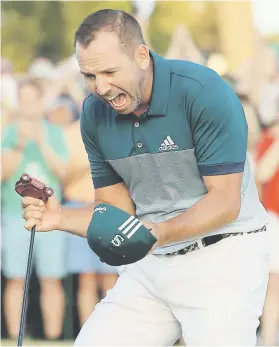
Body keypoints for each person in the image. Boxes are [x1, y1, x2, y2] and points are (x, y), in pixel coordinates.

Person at [21, 10, 269, 346]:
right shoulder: (94, 112)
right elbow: (116, 212)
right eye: (89, 75)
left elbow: (225, 201)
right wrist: (61, 216)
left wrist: (158, 233)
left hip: (223, 258)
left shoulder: (203, 90)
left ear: (141, 56)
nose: (101, 87)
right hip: (151, 264)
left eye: (109, 71)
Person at [1, 78, 68, 340]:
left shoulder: (54, 132)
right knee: (16, 278)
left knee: (52, 279)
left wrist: (41, 143)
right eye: (23, 100)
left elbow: (63, 173)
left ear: (41, 102)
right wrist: (18, 144)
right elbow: (3, 174)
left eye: (32, 100)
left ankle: (53, 338)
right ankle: (13, 335)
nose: (28, 106)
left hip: (50, 215)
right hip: (14, 214)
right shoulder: (8, 131)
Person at [63, 121, 118, 327]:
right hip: (79, 205)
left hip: (112, 207)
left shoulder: (114, 127)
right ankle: (89, 332)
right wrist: (94, 158)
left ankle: (111, 332)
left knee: (110, 278)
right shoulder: (70, 132)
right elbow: (62, 173)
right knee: (86, 276)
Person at [256, 106, 279, 346]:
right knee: (273, 285)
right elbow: (262, 174)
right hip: (275, 219)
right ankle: (270, 340)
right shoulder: (269, 141)